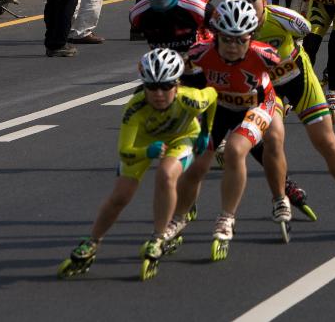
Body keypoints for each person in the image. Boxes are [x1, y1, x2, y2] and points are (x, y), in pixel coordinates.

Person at [172, 0, 335, 243]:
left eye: (252, 0)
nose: (245, 6)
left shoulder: (283, 19)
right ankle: (279, 198)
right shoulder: (227, 24)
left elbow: (306, 32)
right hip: (266, 88)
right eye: (239, 0)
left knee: (326, 141)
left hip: (297, 79)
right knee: (272, 138)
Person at [58, 49, 217, 280]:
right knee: (121, 196)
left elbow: (212, 96)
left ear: (177, 84)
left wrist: (206, 131)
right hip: (144, 143)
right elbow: (125, 151)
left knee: (166, 174)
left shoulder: (190, 98)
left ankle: (158, 237)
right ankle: (93, 241)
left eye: (166, 86)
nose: (159, 94)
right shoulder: (134, 108)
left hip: (181, 136)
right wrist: (147, 151)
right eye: (151, 87)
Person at [186, 0, 289, 258]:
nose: (233, 46)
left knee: (238, 149)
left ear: (251, 37)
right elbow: (182, 82)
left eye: (240, 40)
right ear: (216, 36)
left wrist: (281, 106)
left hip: (256, 106)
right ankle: (177, 218)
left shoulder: (265, 55)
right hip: (220, 106)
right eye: (227, 40)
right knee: (196, 163)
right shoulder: (200, 52)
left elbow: (288, 80)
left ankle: (234, 215)